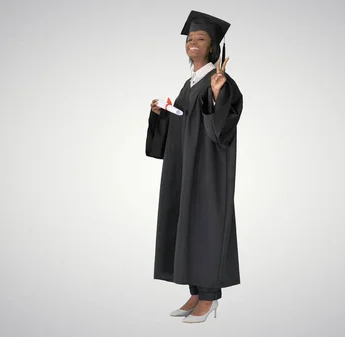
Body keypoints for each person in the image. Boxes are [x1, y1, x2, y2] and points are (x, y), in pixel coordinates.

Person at [145, 10, 243, 324]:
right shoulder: (191, 83)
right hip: (185, 169)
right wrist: (164, 114)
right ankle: (196, 292)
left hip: (207, 173)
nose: (193, 43)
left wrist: (216, 93)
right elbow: (188, 123)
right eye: (190, 39)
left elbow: (220, 126)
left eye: (200, 38)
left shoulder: (218, 80)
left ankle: (210, 296)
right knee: (183, 222)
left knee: (205, 225)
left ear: (213, 47)